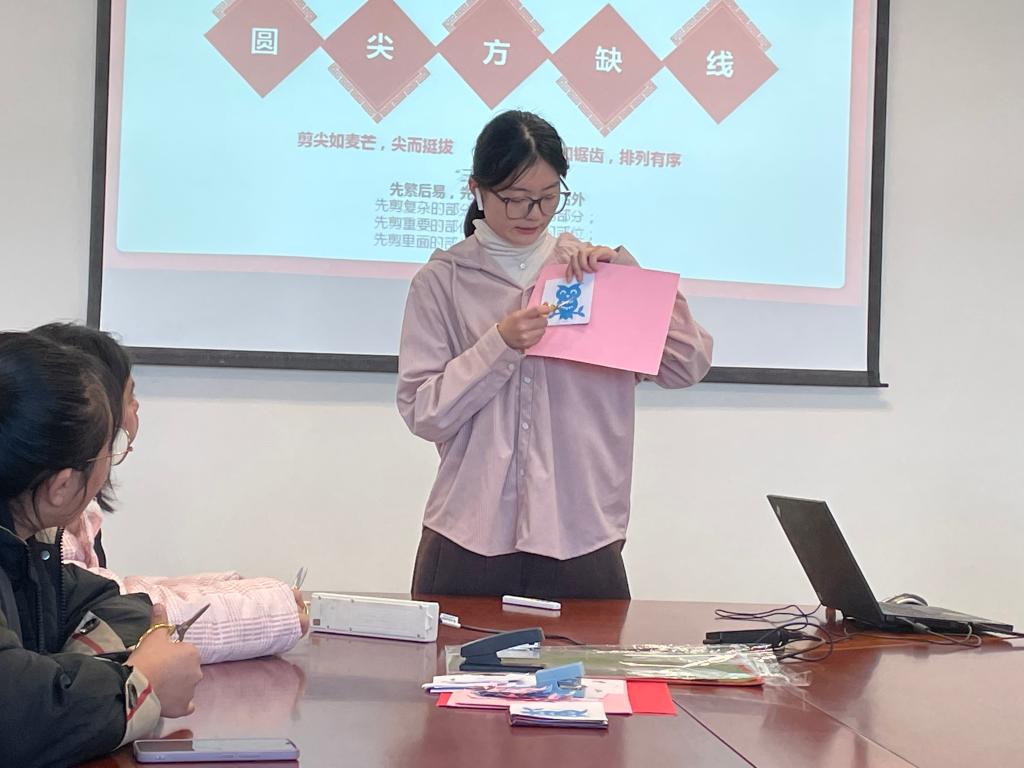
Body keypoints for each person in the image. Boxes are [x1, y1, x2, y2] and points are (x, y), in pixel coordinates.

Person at [397, 110, 713, 599]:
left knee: (597, 654)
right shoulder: (442, 282)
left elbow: (688, 364)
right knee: (455, 654)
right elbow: (425, 413)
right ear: (477, 190)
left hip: (581, 532)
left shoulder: (592, 274)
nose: (532, 213)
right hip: (468, 533)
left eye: (548, 197)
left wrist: (633, 281)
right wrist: (499, 344)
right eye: (514, 198)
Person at [31, 322, 309, 664]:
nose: (136, 408)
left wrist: (228, 587)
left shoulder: (71, 513)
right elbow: (113, 615)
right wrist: (272, 612)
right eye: (128, 397)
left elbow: (110, 590)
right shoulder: (40, 530)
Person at [0, 332, 202, 767]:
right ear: (61, 486)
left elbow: (115, 605)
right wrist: (142, 683)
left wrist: (70, 682)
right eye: (109, 452)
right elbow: (15, 717)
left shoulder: (26, 547)